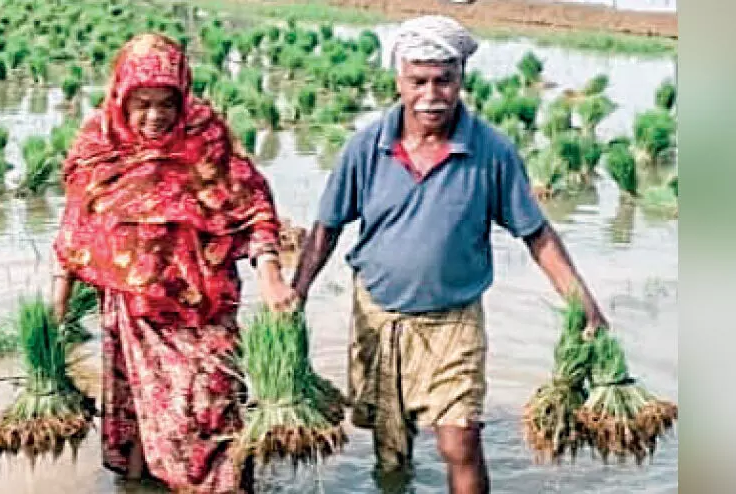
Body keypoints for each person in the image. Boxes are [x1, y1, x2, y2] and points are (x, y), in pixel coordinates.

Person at [285, 15, 609, 494]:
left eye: (444, 80)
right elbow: (326, 228)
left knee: (460, 443)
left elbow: (537, 235)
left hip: (454, 321)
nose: (431, 95)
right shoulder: (366, 147)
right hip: (378, 315)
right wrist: (296, 294)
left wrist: (584, 303)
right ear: (399, 80)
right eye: (418, 81)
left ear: (461, 78)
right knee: (390, 448)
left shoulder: (491, 151)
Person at [50, 33, 295, 493]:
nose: (155, 116)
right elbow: (73, 232)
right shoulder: (98, 144)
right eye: (141, 104)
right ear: (121, 98)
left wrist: (272, 276)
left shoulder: (207, 138)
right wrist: (55, 311)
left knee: (212, 409)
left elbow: (254, 207)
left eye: (166, 102)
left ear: (183, 96)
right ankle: (143, 483)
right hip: (134, 313)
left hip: (205, 310)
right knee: (147, 410)